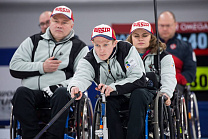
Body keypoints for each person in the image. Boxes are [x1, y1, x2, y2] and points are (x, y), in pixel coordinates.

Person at [9, 5, 89, 139]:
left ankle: (53, 137)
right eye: (56, 21)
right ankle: (31, 136)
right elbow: (14, 67)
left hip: (59, 94)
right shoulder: (33, 41)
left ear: (71, 25)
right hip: (33, 93)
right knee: (20, 93)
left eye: (64, 22)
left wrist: (60, 85)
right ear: (50, 22)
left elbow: (83, 75)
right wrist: (42, 67)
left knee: (62, 93)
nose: (59, 25)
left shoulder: (79, 47)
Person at [68, 24, 155, 139]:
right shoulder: (89, 60)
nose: (101, 49)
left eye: (105, 44)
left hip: (139, 90)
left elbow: (138, 78)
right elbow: (81, 76)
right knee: (107, 101)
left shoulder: (126, 49)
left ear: (114, 43)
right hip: (115, 96)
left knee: (138, 94)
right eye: (97, 45)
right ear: (93, 44)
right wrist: (75, 87)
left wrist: (114, 87)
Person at [126, 20, 177, 105]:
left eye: (145, 35)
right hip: (128, 95)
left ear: (151, 37)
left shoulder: (163, 56)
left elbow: (168, 76)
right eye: (136, 36)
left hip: (154, 96)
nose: (140, 39)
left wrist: (165, 93)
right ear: (131, 38)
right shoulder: (123, 55)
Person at [158, 11, 197, 91]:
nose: (165, 29)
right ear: (157, 25)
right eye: (162, 25)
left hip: (175, 86)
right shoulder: (149, 46)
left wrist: (171, 79)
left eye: (168, 25)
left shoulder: (185, 47)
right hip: (154, 85)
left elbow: (190, 73)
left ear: (175, 25)